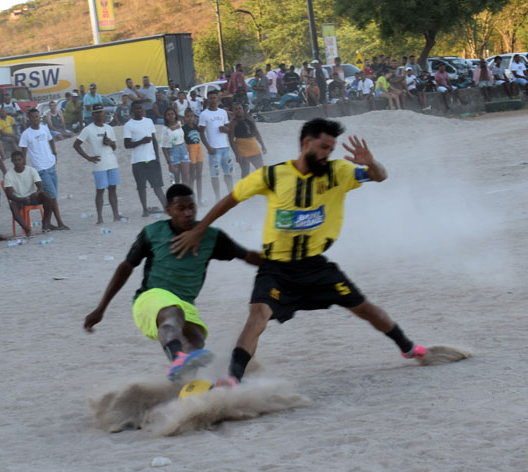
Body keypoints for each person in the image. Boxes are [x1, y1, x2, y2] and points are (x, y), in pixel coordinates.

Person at [171, 119, 428, 387]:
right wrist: (199, 229)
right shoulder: (272, 175)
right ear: (306, 144)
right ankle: (233, 378)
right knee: (258, 314)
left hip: (315, 267)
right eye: (323, 147)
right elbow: (231, 199)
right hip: (276, 267)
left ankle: (409, 348)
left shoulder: (338, 172)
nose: (328, 153)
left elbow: (379, 176)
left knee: (364, 308)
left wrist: (370, 163)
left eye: (331, 149)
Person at [83, 183, 261, 381]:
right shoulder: (152, 233)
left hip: (185, 304)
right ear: (168, 210)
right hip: (150, 299)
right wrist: (101, 308)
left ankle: (192, 384)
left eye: (191, 207)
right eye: (181, 208)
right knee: (172, 314)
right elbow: (125, 268)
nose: (187, 213)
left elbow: (246, 255)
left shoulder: (211, 237)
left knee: (196, 340)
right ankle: (177, 359)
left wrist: (278, 264)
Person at [19, 108, 68, 230]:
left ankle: (47, 222)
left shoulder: (45, 128)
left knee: (53, 196)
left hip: (50, 165)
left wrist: (54, 153)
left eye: (37, 117)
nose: (35, 119)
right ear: (29, 119)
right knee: (52, 196)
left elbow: (51, 140)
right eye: (33, 117)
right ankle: (59, 222)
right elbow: (23, 153)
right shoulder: (26, 134)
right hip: (40, 168)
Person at [73, 103, 122, 225]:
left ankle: (116, 215)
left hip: (111, 161)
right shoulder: (88, 129)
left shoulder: (109, 128)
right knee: (100, 190)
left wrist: (110, 142)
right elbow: (76, 144)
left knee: (113, 188)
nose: (100, 114)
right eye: (97, 112)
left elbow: (114, 147)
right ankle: (100, 218)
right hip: (99, 163)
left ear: (105, 113)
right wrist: (88, 157)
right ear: (93, 114)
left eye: (102, 112)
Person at [123, 100, 167, 217]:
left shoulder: (149, 121)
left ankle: (165, 207)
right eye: (136, 108)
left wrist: (157, 157)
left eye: (140, 108)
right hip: (138, 161)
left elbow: (154, 140)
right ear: (132, 110)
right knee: (141, 187)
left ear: (143, 109)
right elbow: (127, 144)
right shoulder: (128, 125)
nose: (139, 110)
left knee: (157, 186)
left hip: (151, 159)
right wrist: (142, 141)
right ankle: (145, 209)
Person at [3, 150, 56, 235]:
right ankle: (27, 229)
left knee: (47, 196)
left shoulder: (31, 170)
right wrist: (20, 200)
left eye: (19, 159)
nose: (17, 162)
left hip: (32, 197)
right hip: (19, 199)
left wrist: (36, 193)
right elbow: (9, 194)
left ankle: (46, 224)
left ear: (23, 160)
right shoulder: (9, 174)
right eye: (15, 160)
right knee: (12, 205)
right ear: (12, 161)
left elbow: (40, 186)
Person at [199, 90, 233, 202]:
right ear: (207, 100)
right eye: (210, 98)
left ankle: (230, 195)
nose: (212, 100)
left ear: (217, 99)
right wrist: (208, 147)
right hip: (214, 149)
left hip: (225, 147)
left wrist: (225, 129)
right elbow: (201, 133)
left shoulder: (223, 112)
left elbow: (229, 129)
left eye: (214, 98)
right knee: (215, 175)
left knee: (228, 173)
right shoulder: (204, 114)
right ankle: (218, 198)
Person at [228, 102, 266, 178]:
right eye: (236, 109)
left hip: (253, 145)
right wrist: (236, 154)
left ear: (243, 109)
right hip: (241, 148)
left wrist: (262, 145)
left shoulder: (249, 118)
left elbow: (256, 132)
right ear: (233, 111)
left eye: (240, 108)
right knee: (245, 171)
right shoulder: (233, 123)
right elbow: (231, 140)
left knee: (261, 169)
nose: (238, 110)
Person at [160, 108, 190, 187]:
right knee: (175, 179)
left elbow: (187, 120)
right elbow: (164, 147)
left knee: (185, 176)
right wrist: (169, 162)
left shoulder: (180, 123)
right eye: (168, 114)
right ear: (165, 117)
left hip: (183, 149)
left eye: (172, 114)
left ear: (175, 114)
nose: (170, 116)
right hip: (173, 151)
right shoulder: (165, 129)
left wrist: (180, 117)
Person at [182, 108, 204, 205]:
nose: (190, 118)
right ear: (185, 117)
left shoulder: (196, 126)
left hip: (199, 148)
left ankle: (199, 199)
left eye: (192, 116)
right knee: (192, 176)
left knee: (199, 175)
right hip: (190, 149)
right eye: (188, 116)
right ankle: (191, 198)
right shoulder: (184, 128)